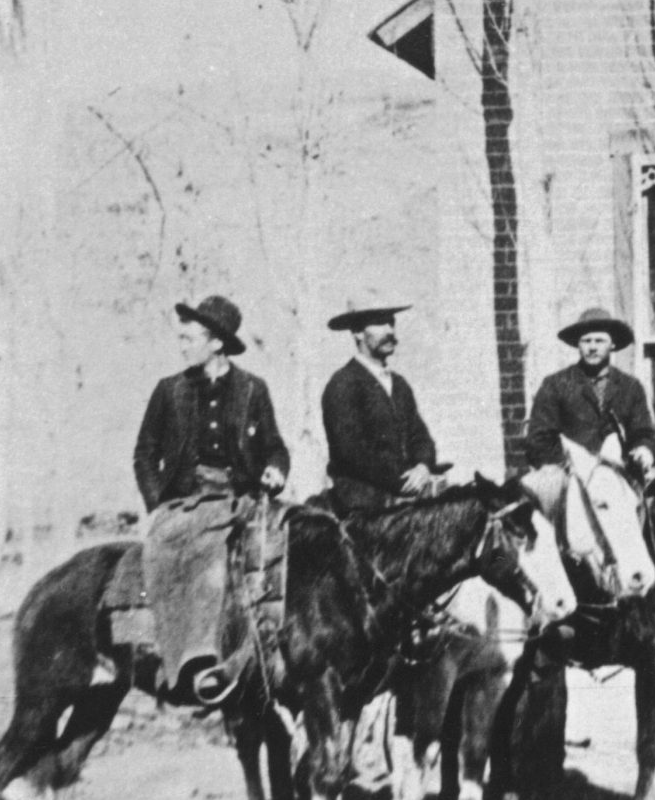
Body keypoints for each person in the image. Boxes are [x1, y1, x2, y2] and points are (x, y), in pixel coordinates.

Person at [131, 295, 291, 705]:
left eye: (189, 339)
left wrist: (275, 469)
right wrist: (157, 504)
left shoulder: (253, 389)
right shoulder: (169, 391)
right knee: (161, 552)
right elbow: (144, 454)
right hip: (183, 504)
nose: (182, 346)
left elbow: (275, 446)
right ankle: (181, 662)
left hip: (239, 501)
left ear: (216, 343)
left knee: (218, 555)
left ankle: (211, 659)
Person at [521, 306, 655, 526]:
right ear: (578, 344)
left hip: (619, 485)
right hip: (570, 485)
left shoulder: (630, 387)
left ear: (612, 344)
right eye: (586, 341)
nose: (592, 348)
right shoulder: (556, 385)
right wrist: (574, 466)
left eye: (599, 341)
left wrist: (644, 450)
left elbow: (644, 433)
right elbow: (537, 442)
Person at [320, 302, 446, 513]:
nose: (390, 331)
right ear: (358, 333)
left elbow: (420, 437)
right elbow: (351, 452)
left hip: (405, 497)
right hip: (361, 503)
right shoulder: (343, 384)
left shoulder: (399, 385)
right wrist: (401, 481)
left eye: (391, 323)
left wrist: (423, 467)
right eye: (380, 323)